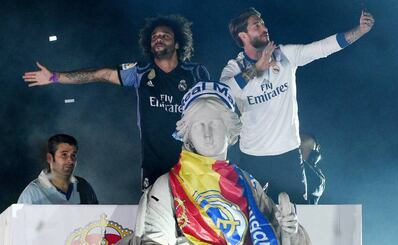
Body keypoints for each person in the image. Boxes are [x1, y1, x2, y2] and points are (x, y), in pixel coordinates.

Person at [22, 15, 210, 190]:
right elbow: (100, 74)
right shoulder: (140, 72)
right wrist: (55, 77)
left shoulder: (195, 73)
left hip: (191, 162)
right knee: (156, 222)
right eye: (154, 36)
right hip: (155, 167)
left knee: (191, 221)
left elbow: (211, 113)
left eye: (165, 35)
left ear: (177, 43)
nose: (158, 38)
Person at [124, 82, 311, 245]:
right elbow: (154, 241)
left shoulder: (248, 184)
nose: (207, 133)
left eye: (214, 123)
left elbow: (276, 236)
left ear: (229, 130)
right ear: (188, 136)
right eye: (198, 126)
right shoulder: (169, 184)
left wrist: (289, 230)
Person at [220, 7, 374, 203]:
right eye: (256, 26)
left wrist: (359, 31)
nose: (264, 28)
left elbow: (321, 48)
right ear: (243, 36)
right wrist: (257, 69)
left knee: (296, 223)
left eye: (263, 23)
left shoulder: (284, 55)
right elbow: (225, 91)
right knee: (251, 222)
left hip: (288, 157)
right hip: (253, 158)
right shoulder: (234, 67)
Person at [18, 134, 98, 204]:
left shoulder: (84, 187)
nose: (70, 160)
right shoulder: (32, 193)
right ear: (49, 158)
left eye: (73, 155)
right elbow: (21, 221)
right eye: (64, 154)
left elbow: (97, 218)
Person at [300, 133, 325, 205]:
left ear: (314, 155)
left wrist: (298, 159)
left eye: (307, 147)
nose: (302, 146)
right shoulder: (285, 167)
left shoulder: (319, 176)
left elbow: (315, 184)